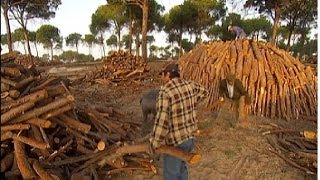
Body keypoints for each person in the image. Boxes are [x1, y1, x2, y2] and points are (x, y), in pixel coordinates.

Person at [148, 63, 208, 180]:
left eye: (163, 75)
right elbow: (205, 92)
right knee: (182, 168)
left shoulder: (165, 92)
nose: (162, 78)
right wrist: (192, 103)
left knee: (171, 174)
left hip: (175, 142)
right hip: (190, 138)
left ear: (168, 74)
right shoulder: (190, 85)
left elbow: (162, 121)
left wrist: (154, 143)